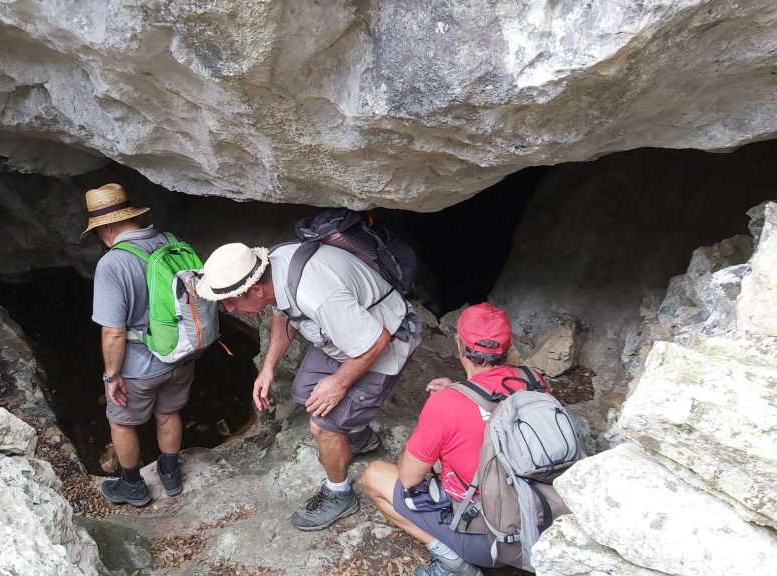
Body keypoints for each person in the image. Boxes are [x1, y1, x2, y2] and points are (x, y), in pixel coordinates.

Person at [198, 242, 421, 531]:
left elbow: (376, 341)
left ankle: (339, 494)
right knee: (304, 392)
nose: (228, 308)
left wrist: (338, 384)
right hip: (343, 336)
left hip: (384, 338)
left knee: (323, 425)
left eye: (230, 301)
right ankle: (359, 435)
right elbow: (280, 313)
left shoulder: (316, 295)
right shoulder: (271, 270)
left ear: (255, 290)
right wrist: (268, 368)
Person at [362, 302, 547, 576]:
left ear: (459, 345)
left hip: (491, 541)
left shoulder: (447, 406)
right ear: (508, 347)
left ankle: (455, 564)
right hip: (543, 521)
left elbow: (409, 477)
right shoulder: (535, 381)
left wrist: (437, 413)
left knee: (374, 476)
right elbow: (495, 406)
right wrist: (459, 391)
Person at [81, 183, 195, 507]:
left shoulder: (113, 264)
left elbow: (113, 332)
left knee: (120, 420)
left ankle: (133, 485)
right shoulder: (170, 242)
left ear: (107, 227)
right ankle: (170, 473)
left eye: (97, 232)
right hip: (182, 354)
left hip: (140, 366)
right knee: (168, 410)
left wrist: (111, 376)